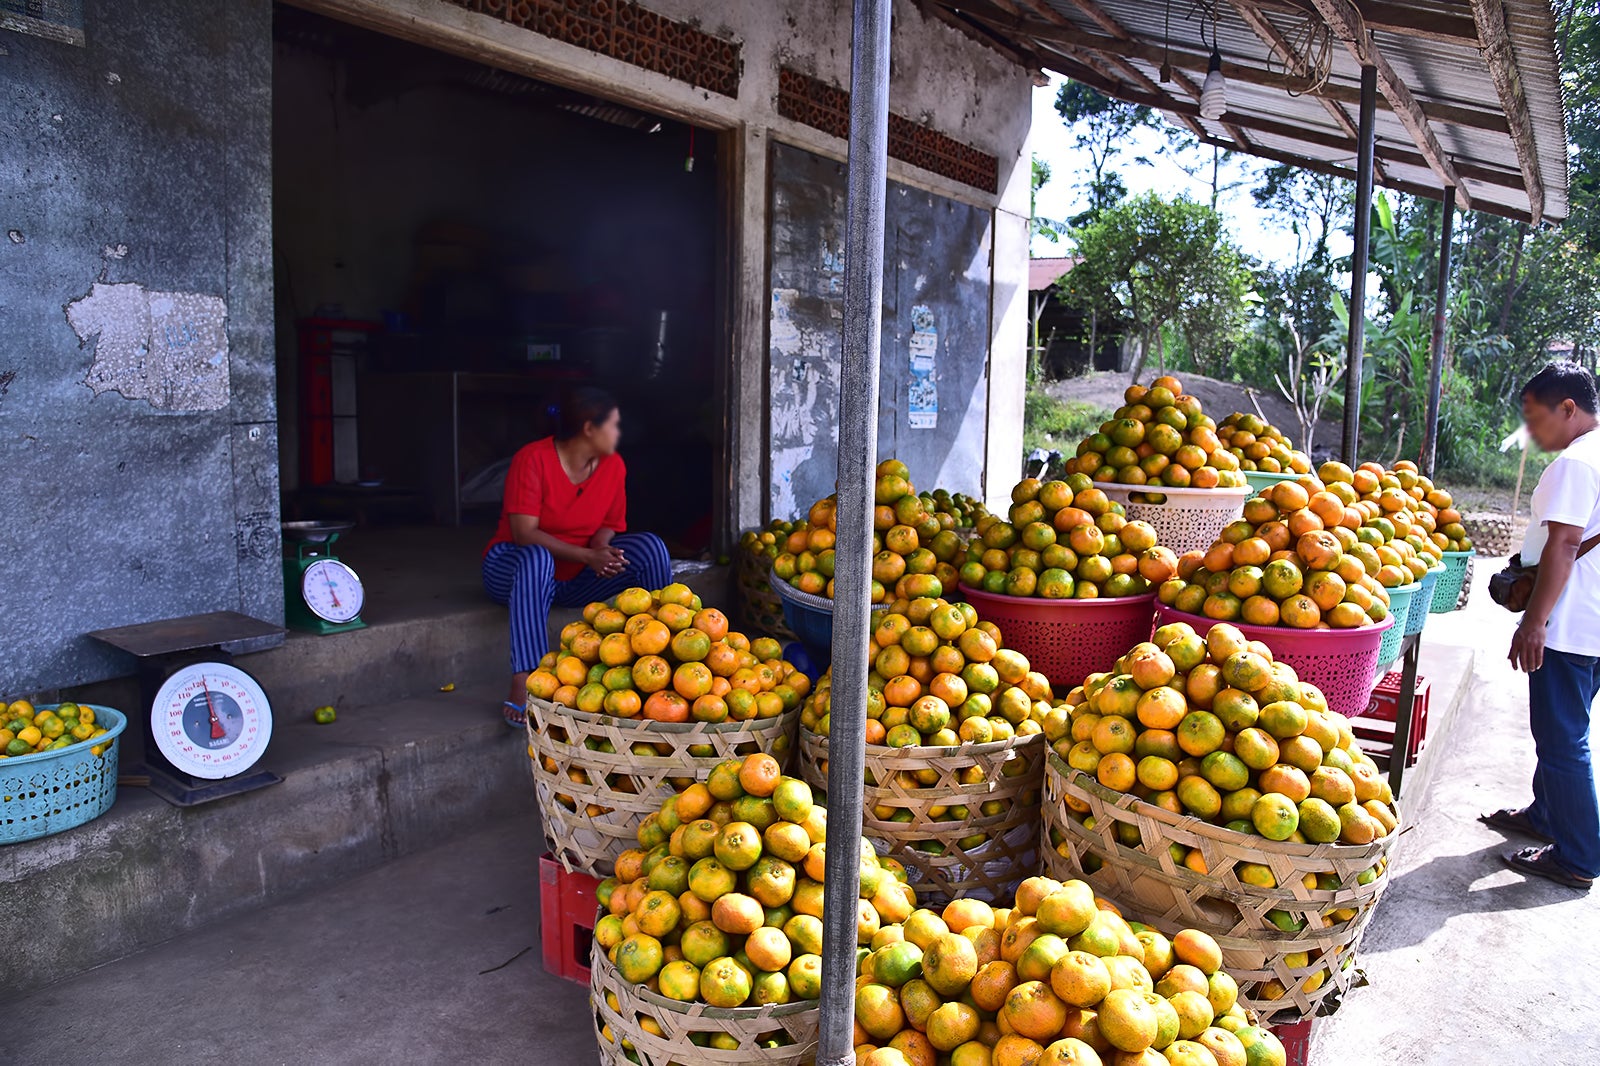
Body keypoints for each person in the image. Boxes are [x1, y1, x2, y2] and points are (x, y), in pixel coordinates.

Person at [482, 388, 672, 727]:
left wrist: (602, 552)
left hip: (574, 576)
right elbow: (524, 533)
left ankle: (661, 652)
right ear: (589, 429)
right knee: (537, 557)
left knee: (651, 548)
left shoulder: (613, 465)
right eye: (613, 425)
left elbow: (610, 524)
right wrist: (588, 555)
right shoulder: (533, 459)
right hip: (514, 568)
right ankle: (528, 676)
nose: (618, 433)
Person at [1482, 361, 1600, 890]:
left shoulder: (1577, 463)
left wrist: (1535, 622)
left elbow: (1565, 545)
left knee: (1561, 739)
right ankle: (1545, 816)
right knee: (1565, 730)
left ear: (1568, 409)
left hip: (1573, 624)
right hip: (1594, 622)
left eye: (1536, 419)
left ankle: (1576, 857)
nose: (1532, 432)